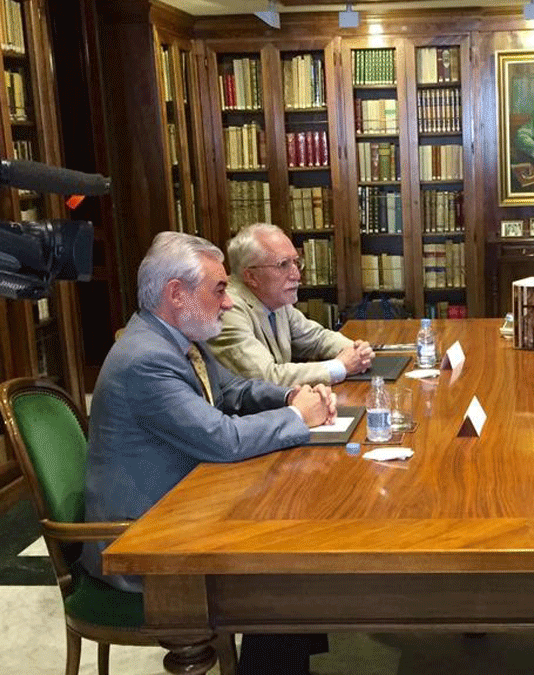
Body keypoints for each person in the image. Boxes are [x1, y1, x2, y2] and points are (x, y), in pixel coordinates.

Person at [83, 231, 336, 675]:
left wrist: (292, 396)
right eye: (219, 289)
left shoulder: (179, 337)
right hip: (144, 541)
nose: (227, 302)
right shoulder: (146, 359)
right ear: (176, 294)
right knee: (282, 571)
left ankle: (285, 661)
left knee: (292, 544)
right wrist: (299, 419)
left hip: (186, 506)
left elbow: (234, 390)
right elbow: (222, 439)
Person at [209, 223, 374, 386]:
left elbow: (317, 339)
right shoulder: (227, 309)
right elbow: (266, 378)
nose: (296, 274)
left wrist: (356, 351)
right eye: (283, 264)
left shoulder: (275, 299)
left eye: (296, 262)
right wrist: (340, 366)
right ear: (251, 276)